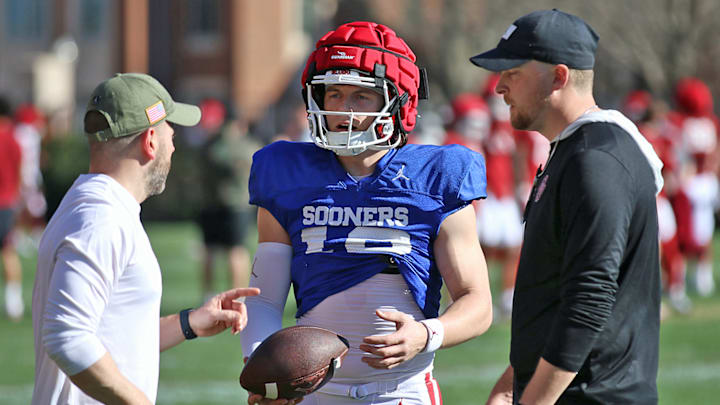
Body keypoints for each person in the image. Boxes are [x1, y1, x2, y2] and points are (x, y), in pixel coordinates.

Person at [240, 21, 493, 405]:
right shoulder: (287, 172)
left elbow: (477, 302)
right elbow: (263, 299)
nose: (344, 110)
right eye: (334, 94)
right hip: (313, 394)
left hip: (402, 393)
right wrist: (265, 371)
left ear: (398, 101)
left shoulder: (438, 175)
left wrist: (426, 334)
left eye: (362, 96)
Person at [470, 9, 664, 404]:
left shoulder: (596, 158)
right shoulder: (574, 150)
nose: (499, 88)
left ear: (558, 76)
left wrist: (533, 400)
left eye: (513, 72)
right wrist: (512, 383)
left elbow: (590, 299)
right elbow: (556, 292)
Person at [31, 73, 260, 405]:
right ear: (151, 140)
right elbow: (67, 337)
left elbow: (113, 334)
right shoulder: (102, 219)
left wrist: (189, 323)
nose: (174, 142)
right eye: (170, 130)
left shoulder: (92, 205)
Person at [197, 98, 261, 300]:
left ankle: (208, 295)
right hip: (237, 206)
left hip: (210, 203)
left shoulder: (212, 144)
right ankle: (237, 296)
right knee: (237, 251)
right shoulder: (247, 145)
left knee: (209, 251)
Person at [0, 96, 24, 321]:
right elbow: (19, 171)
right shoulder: (14, 139)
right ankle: (13, 301)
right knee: (7, 250)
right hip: (7, 202)